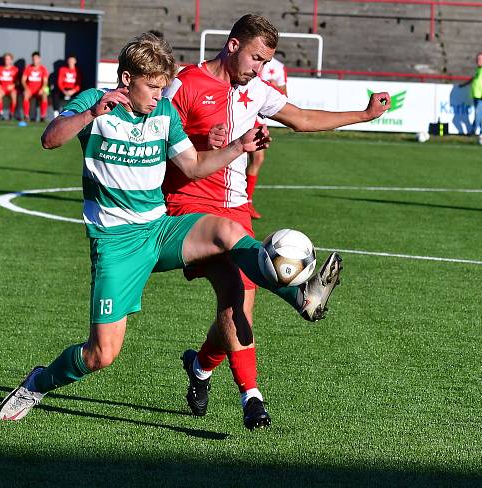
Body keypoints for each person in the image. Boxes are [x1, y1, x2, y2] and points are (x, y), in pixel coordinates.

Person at [0, 33, 325, 422]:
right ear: (125, 79)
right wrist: (91, 115)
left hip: (158, 229)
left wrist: (238, 146)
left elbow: (191, 166)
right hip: (115, 243)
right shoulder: (93, 102)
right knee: (101, 354)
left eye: (161, 86)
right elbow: (50, 139)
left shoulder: (164, 114)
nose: (158, 94)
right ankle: (38, 383)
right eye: (151, 86)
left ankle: (297, 289)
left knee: (228, 232)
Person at [163, 14, 389, 429]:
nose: (260, 69)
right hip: (191, 205)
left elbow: (302, 118)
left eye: (266, 62)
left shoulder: (255, 91)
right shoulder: (186, 84)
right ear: (232, 45)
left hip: (236, 210)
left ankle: (200, 367)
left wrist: (363, 115)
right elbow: (155, 134)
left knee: (238, 302)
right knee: (238, 291)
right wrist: (198, 141)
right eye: (255, 58)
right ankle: (253, 395)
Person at [244, 56, 287, 219]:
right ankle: (243, 202)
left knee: (257, 158)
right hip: (243, 110)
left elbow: (284, 96)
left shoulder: (278, 67)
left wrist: (274, 87)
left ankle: (247, 201)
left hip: (259, 117)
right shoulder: (248, 60)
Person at [460, 52, 482, 137]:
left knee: (478, 113)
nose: (479, 60)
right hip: (476, 96)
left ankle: (473, 130)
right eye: (478, 59)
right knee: (479, 115)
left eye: (481, 59)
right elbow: (473, 79)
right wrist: (464, 85)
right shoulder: (478, 70)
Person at [21, 51, 49, 121]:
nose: (35, 60)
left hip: (40, 89)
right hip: (30, 89)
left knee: (45, 95)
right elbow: (23, 80)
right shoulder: (28, 68)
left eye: (36, 59)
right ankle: (26, 116)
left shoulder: (43, 69)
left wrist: (42, 89)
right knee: (25, 94)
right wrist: (26, 88)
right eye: (33, 59)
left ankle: (43, 116)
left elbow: (45, 82)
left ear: (39, 59)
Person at [0, 53, 19, 120]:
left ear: (11, 60)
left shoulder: (15, 69)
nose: (6, 61)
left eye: (8, 59)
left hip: (11, 88)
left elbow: (17, 82)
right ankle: (0, 113)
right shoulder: (0, 68)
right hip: (2, 88)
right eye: (5, 59)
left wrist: (13, 85)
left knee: (14, 95)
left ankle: (11, 114)